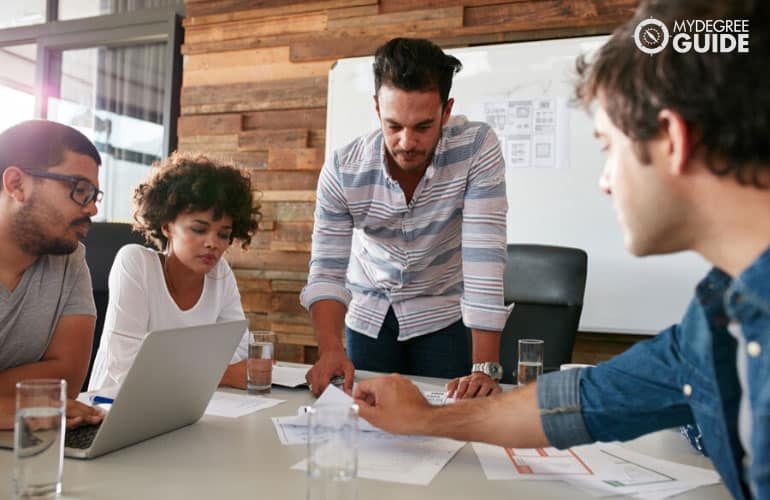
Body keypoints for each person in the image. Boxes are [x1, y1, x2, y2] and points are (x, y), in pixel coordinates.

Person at [353, 1, 769, 498]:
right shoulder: (717, 319)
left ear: (673, 140)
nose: (605, 180)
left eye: (608, 146)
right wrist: (425, 417)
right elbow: (582, 401)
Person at [301, 37, 512, 398]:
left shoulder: (476, 148)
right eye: (394, 125)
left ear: (446, 112)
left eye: (423, 127)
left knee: (447, 423)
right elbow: (327, 269)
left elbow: (484, 258)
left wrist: (484, 369)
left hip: (441, 313)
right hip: (369, 315)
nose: (406, 142)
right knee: (367, 427)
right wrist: (330, 349)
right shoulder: (343, 169)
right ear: (377, 109)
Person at [88, 152, 260, 391]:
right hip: (110, 408)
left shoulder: (220, 273)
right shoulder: (135, 263)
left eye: (223, 234)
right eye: (199, 229)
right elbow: (126, 370)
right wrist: (224, 374)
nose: (213, 243)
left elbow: (241, 351)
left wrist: (176, 369)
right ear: (167, 226)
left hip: (185, 404)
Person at [0, 120, 105, 428]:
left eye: (94, 195)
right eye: (79, 189)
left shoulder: (70, 259)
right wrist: (12, 408)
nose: (92, 209)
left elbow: (66, 382)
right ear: (17, 184)